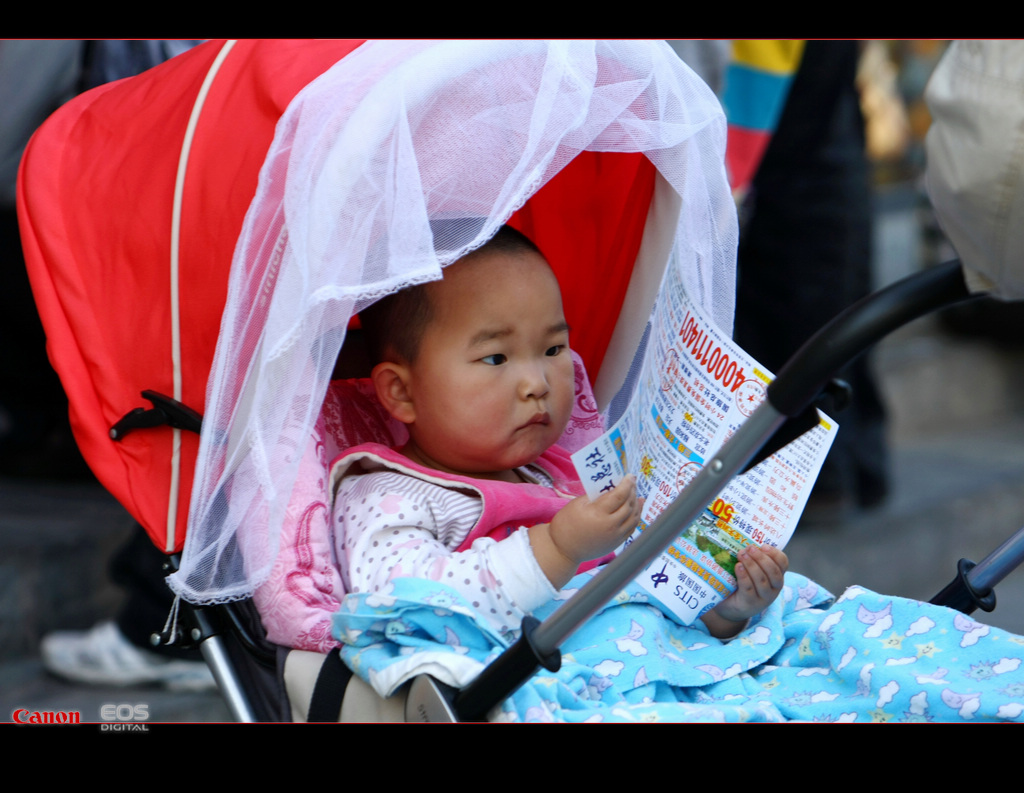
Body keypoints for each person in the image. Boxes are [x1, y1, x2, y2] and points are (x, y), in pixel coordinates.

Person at [331, 225, 789, 642]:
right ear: (402, 392)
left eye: (553, 349)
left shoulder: (562, 473)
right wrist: (556, 547)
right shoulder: (387, 494)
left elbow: (645, 579)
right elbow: (405, 608)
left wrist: (726, 608)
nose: (538, 383)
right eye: (495, 358)